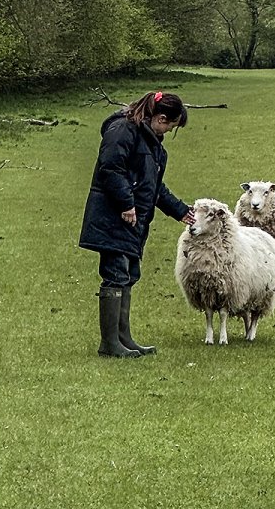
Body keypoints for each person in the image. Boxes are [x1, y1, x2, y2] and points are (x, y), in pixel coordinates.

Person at [79, 90, 194, 358]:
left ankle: (123, 337)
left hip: (134, 220)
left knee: (129, 274)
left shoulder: (151, 141)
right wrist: (126, 203)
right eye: (170, 125)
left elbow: (152, 186)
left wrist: (179, 210)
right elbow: (110, 169)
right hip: (113, 216)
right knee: (116, 273)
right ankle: (109, 343)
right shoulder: (122, 130)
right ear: (161, 117)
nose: (168, 132)